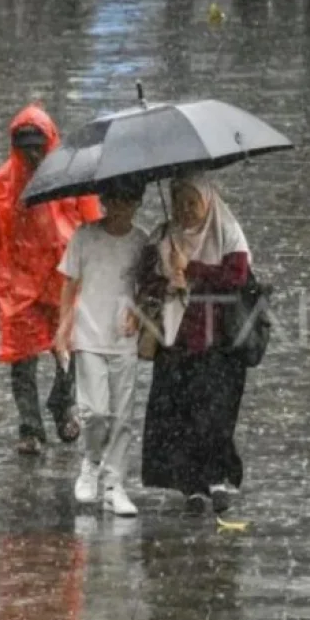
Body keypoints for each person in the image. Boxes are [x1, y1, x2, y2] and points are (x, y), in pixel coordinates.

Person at [0, 103, 102, 455]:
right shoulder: (5, 182)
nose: (31, 155)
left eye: (37, 146)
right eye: (25, 147)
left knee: (69, 347)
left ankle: (62, 402)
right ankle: (30, 427)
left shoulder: (70, 176)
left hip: (62, 276)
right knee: (22, 356)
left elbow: (91, 219)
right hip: (19, 280)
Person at [136, 173, 251, 516]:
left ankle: (216, 477)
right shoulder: (162, 237)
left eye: (193, 203)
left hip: (220, 340)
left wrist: (195, 269)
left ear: (208, 202)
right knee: (179, 414)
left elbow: (237, 276)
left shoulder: (227, 231)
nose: (185, 211)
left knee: (214, 412)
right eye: (180, 203)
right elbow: (144, 279)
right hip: (177, 339)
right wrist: (168, 278)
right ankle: (191, 486)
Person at [56, 177, 148, 516]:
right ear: (105, 201)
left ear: (138, 203)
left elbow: (149, 287)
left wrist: (138, 312)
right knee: (94, 412)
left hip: (123, 340)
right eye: (116, 200)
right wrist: (63, 328)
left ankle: (114, 483)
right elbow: (69, 282)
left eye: (130, 201)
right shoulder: (84, 237)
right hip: (89, 336)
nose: (122, 209)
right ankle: (91, 462)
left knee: (121, 416)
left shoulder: (141, 243)